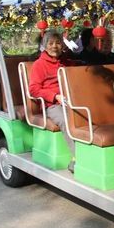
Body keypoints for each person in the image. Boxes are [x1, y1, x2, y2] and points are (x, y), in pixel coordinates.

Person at [28, 30, 76, 173]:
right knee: (66, 120)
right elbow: (33, 90)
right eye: (51, 43)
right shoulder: (39, 65)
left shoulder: (67, 62)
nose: (54, 46)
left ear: (62, 45)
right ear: (45, 45)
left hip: (71, 100)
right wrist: (55, 96)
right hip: (53, 105)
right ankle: (77, 158)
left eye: (58, 43)